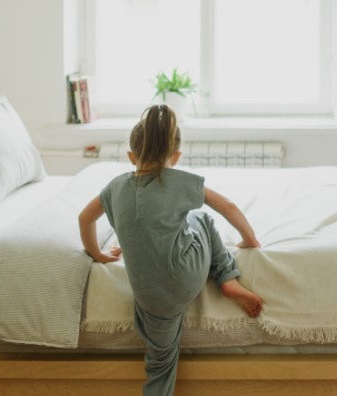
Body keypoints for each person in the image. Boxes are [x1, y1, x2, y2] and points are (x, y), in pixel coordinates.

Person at [78, 104, 263, 395]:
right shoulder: (179, 183)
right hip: (186, 276)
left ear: (131, 156)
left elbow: (84, 218)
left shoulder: (114, 188)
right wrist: (249, 239)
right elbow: (227, 207)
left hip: (152, 298)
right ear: (175, 157)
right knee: (200, 217)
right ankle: (227, 279)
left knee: (161, 362)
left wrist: (97, 254)